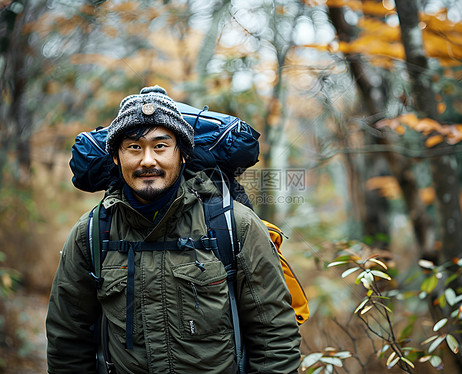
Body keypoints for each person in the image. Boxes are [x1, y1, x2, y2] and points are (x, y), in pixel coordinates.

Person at [46, 86, 302, 373]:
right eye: (133, 147)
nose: (147, 160)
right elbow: (67, 342)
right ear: (116, 158)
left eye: (160, 146)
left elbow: (275, 339)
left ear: (183, 154)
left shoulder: (233, 227)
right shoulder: (92, 233)